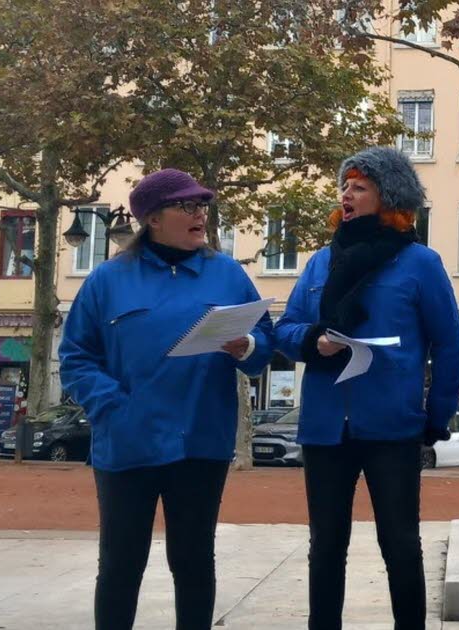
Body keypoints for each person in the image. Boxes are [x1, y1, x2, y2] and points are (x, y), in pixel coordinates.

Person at [58, 169, 274, 630]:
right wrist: (113, 407)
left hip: (201, 442)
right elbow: (75, 357)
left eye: (203, 206)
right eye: (189, 206)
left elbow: (265, 344)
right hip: (127, 444)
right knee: (120, 564)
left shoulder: (229, 274)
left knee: (194, 561)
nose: (201, 215)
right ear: (153, 218)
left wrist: (248, 346)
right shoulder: (107, 281)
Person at [274, 147, 459, 630]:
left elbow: (448, 345)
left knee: (400, 543)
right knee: (326, 545)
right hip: (324, 428)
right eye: (345, 186)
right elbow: (287, 329)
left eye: (359, 186)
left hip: (392, 425)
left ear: (388, 196)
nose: (347, 194)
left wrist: (436, 418)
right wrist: (314, 341)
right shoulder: (320, 262)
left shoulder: (421, 263)